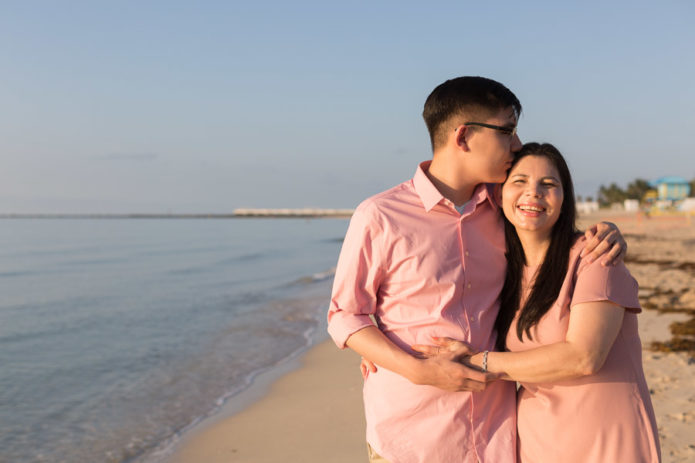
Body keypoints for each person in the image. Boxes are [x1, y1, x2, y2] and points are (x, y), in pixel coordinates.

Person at [327, 77, 626, 463]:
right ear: (464, 136)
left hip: (498, 437)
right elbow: (344, 314)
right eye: (507, 131)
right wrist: (417, 370)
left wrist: (610, 233)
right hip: (412, 438)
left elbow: (557, 235)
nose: (516, 145)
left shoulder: (506, 209)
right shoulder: (380, 215)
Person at [417, 143, 660, 462]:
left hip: (608, 442)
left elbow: (584, 357)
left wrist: (479, 362)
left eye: (549, 184)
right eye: (519, 181)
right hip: (536, 444)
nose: (533, 193)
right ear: (499, 194)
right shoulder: (500, 272)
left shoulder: (595, 257)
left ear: (564, 198)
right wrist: (377, 352)